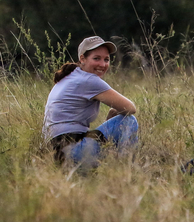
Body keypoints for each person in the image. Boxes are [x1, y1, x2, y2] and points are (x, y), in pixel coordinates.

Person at [43, 36, 138, 168]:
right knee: (129, 121)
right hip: (74, 152)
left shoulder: (70, 76)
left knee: (115, 123)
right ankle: (127, 169)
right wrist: (115, 113)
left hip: (58, 153)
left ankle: (106, 167)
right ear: (82, 59)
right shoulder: (88, 80)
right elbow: (130, 108)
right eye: (96, 58)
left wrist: (112, 114)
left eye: (106, 59)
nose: (103, 64)